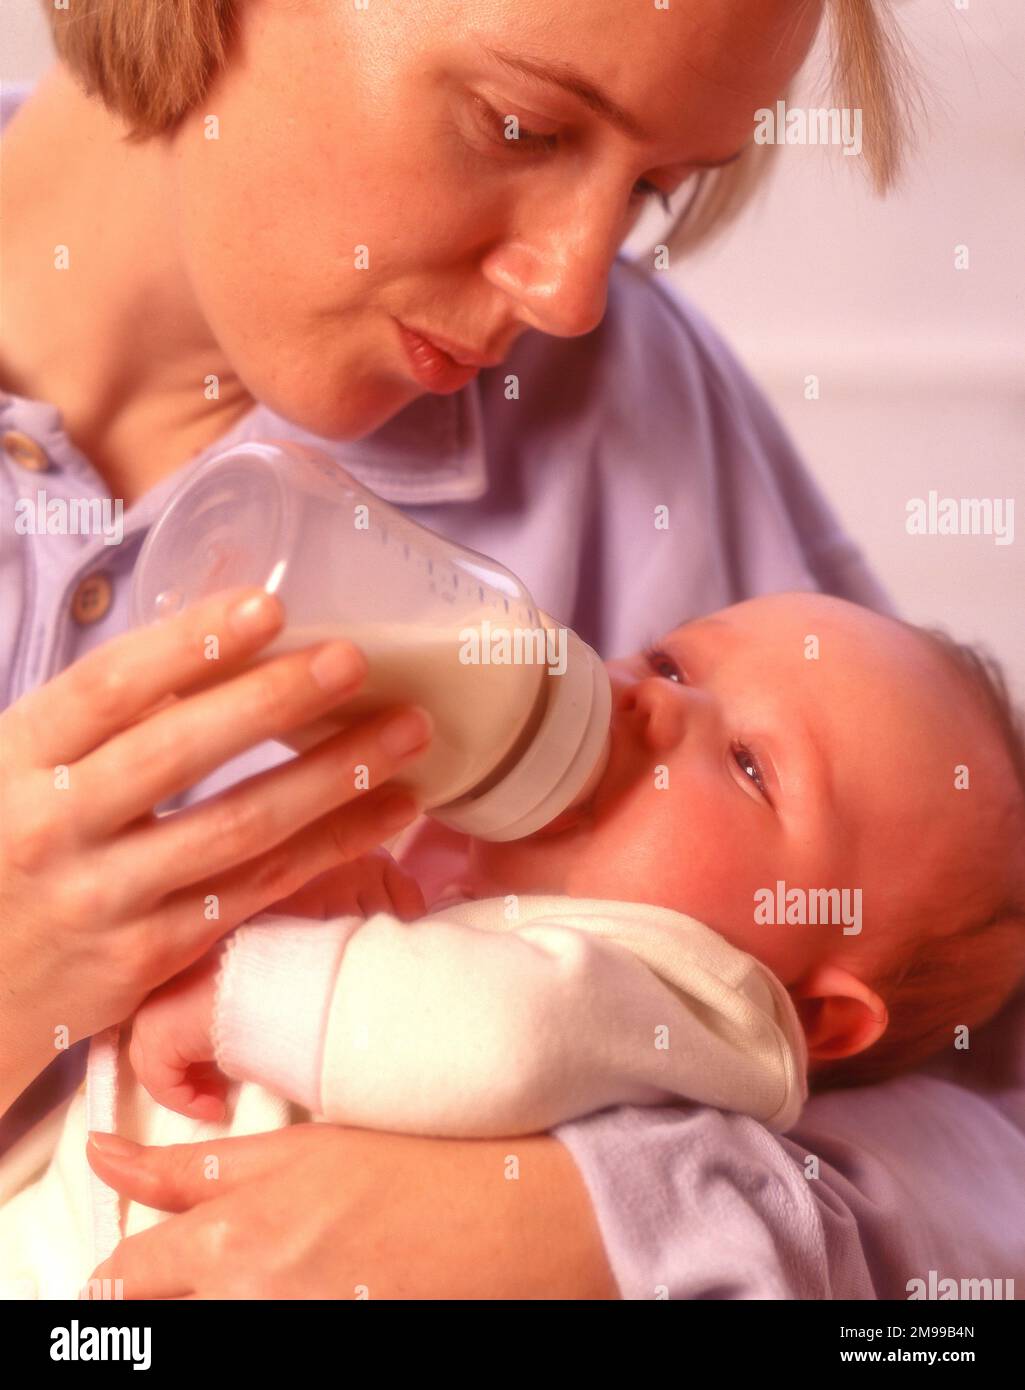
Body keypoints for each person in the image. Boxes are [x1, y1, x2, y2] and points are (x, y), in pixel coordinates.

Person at [3, 1, 1023, 1300]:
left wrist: (615, 1224)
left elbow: (984, 1125)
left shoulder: (621, 413)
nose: (571, 288)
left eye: (654, 187)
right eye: (519, 124)